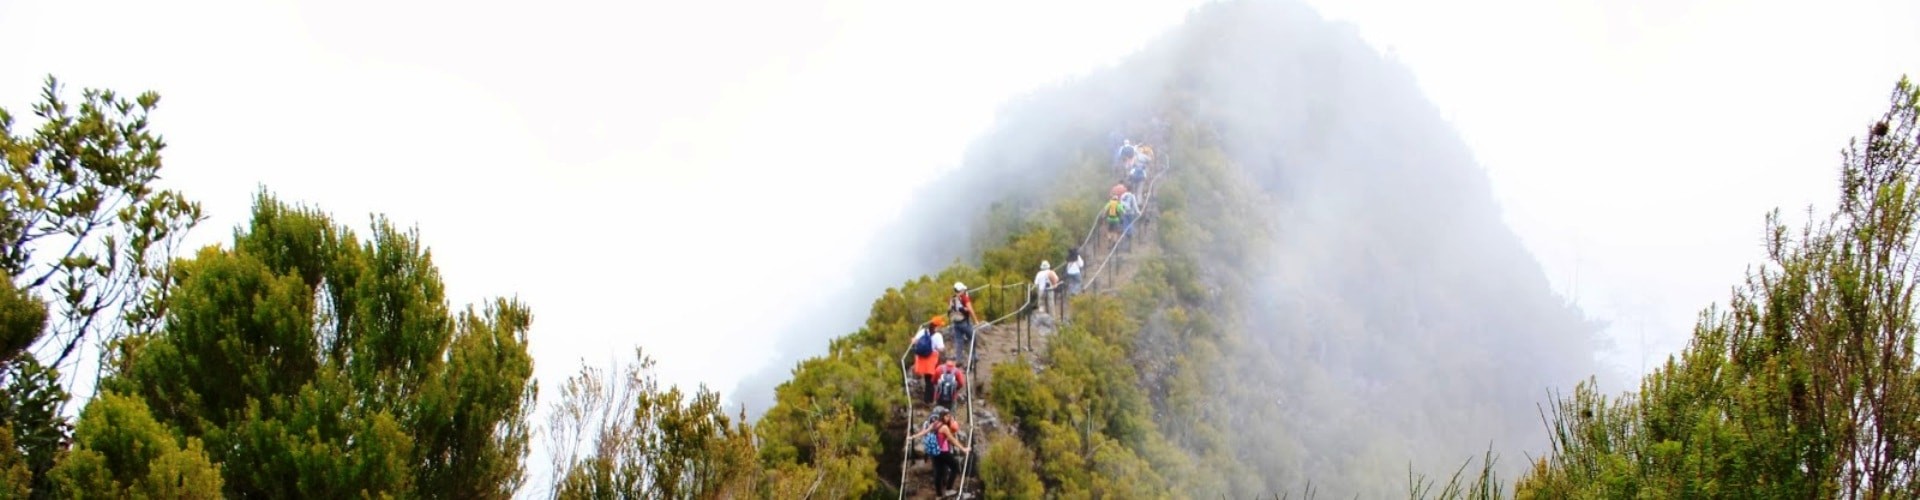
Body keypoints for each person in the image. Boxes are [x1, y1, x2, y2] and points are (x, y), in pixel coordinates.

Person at [909, 406, 970, 496]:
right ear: (942, 416)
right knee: (955, 466)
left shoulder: (935, 424)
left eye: (949, 416)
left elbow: (925, 432)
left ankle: (939, 495)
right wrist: (963, 449)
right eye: (947, 416)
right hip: (943, 452)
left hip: (935, 452)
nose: (948, 418)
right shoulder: (944, 428)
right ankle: (949, 489)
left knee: (938, 473)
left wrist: (913, 437)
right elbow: (952, 440)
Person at [911, 316, 946, 404]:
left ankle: (927, 399)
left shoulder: (923, 331)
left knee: (927, 379)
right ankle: (929, 399)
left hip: (922, 358)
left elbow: (914, 341)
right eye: (940, 325)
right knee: (931, 380)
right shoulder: (938, 335)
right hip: (931, 359)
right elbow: (941, 348)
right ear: (937, 326)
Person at [948, 282, 976, 356]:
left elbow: (950, 310)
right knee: (972, 338)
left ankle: (958, 360)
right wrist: (976, 321)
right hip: (964, 322)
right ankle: (974, 357)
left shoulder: (952, 298)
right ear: (962, 290)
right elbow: (970, 310)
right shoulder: (964, 298)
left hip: (955, 323)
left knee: (959, 342)